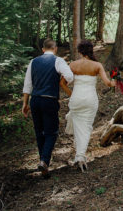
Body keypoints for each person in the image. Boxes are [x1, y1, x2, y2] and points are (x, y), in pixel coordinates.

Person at [22, 39, 74, 178]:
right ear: (55, 49)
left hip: (35, 100)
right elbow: (69, 76)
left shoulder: (33, 62)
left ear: (43, 49)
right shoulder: (58, 61)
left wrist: (25, 104)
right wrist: (60, 81)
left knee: (40, 133)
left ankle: (43, 162)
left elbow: (27, 85)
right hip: (49, 100)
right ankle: (44, 161)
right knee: (51, 132)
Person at [64, 39, 116, 172]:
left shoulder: (73, 65)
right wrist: (115, 82)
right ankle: (80, 156)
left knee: (78, 127)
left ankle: (79, 155)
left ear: (80, 51)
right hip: (90, 99)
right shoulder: (97, 65)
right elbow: (108, 83)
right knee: (86, 127)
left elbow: (62, 83)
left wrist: (72, 94)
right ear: (91, 50)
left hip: (76, 99)